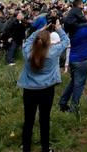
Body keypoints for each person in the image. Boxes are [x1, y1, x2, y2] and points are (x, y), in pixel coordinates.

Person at [17, 23, 69, 152]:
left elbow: (28, 40)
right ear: (49, 42)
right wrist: (58, 28)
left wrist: (39, 31)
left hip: (29, 90)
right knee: (44, 119)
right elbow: (66, 40)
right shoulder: (53, 52)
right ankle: (45, 148)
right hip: (46, 90)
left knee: (28, 120)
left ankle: (26, 147)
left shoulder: (28, 52)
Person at [59, 20, 87, 112]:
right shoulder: (86, 30)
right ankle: (73, 108)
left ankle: (63, 102)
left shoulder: (72, 30)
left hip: (73, 59)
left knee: (73, 82)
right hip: (82, 60)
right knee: (79, 85)